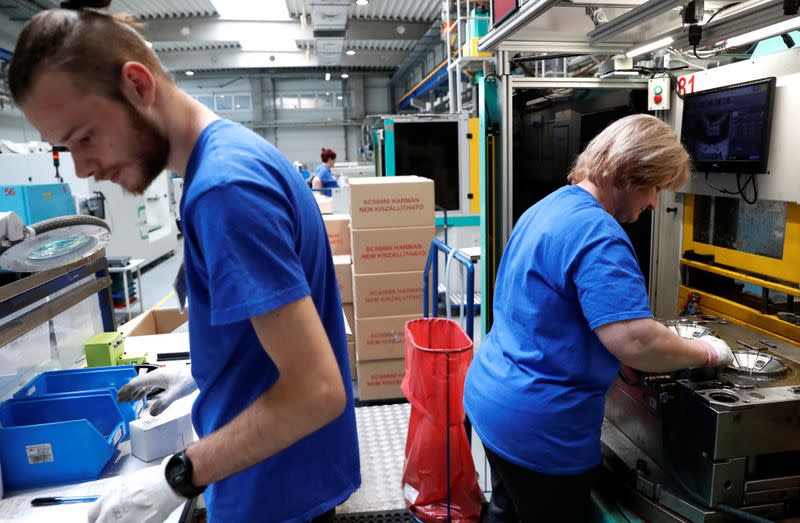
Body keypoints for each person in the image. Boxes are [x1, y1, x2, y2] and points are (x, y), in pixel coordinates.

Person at [7, 3, 360, 522]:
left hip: (271, 496)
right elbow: (270, 332)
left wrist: (179, 475)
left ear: (137, 86)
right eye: (65, 149)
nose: (85, 168)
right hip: (286, 481)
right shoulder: (234, 155)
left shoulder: (225, 190)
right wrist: (203, 373)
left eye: (84, 136)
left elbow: (316, 389)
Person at [462, 114, 734, 523]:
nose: (655, 203)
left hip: (493, 400)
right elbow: (636, 341)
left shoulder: (549, 206)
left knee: (505, 514)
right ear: (632, 173)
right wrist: (707, 352)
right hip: (542, 430)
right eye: (655, 187)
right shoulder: (598, 233)